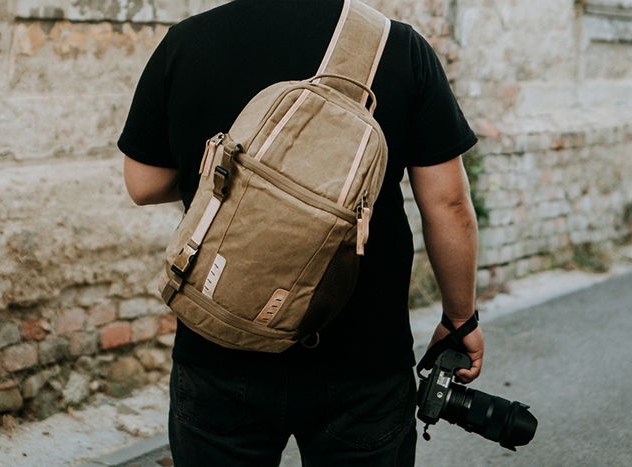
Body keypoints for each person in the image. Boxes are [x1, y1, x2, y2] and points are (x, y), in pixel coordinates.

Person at [118, 0, 483, 465]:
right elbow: (448, 205)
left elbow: (144, 184)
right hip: (361, 355)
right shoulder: (397, 47)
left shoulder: (187, 42)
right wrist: (459, 319)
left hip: (219, 339)